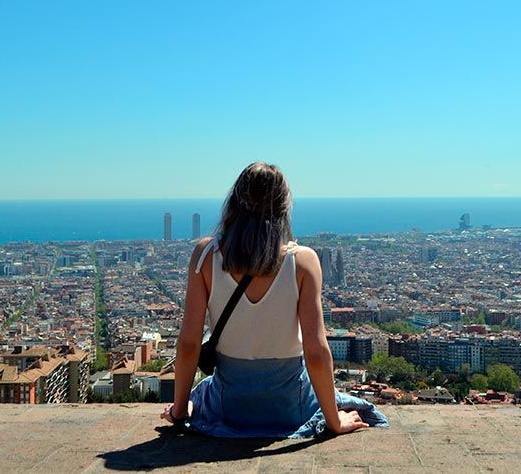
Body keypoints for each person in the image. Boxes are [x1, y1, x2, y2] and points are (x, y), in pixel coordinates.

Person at [161, 162, 388, 438]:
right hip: (290, 408)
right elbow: (316, 352)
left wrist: (180, 410)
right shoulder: (302, 261)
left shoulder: (205, 256)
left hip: (230, 408)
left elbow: (188, 344)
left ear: (234, 202)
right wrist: (334, 422)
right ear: (283, 208)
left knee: (205, 393)